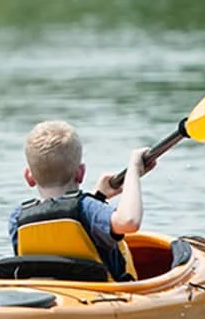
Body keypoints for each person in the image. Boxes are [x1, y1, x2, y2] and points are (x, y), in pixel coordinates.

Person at [8, 119, 155, 281]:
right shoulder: (87, 209)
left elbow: (60, 216)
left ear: (29, 177)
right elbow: (129, 221)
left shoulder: (18, 217)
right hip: (102, 297)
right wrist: (133, 171)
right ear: (81, 173)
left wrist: (99, 196)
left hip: (46, 295)